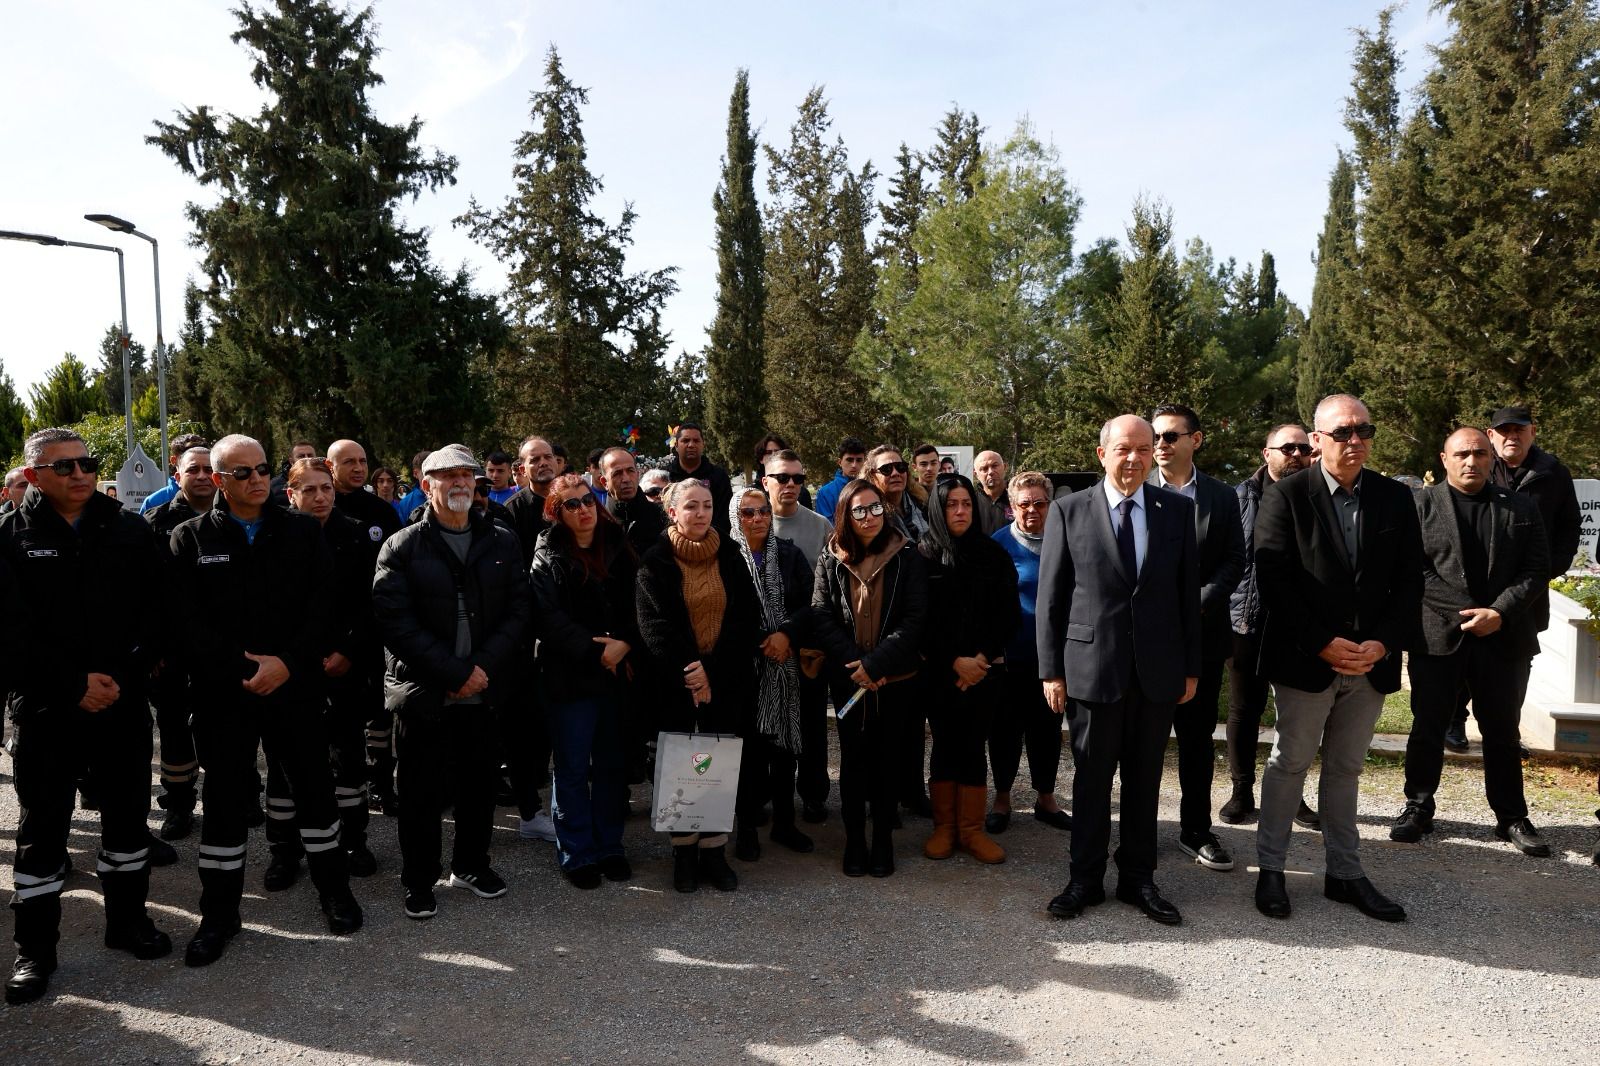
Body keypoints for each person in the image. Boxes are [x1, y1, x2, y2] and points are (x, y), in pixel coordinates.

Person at [171, 434, 362, 967]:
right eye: (243, 473)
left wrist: (288, 663)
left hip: (295, 688)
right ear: (218, 480)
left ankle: (334, 891)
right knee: (226, 804)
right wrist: (242, 669)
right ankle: (219, 914)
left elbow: (323, 607)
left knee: (314, 793)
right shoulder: (190, 539)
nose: (257, 480)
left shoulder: (301, 531)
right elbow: (186, 621)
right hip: (225, 694)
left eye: (262, 470)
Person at [2, 429, 171, 1004]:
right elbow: (9, 633)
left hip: (120, 702)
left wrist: (123, 673)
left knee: (126, 820)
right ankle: (35, 951)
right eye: (64, 466)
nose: (80, 474)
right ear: (33, 475)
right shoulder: (10, 537)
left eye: (87, 463)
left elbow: (158, 611)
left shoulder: (129, 529)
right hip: (48, 709)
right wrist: (72, 685)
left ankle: (128, 923)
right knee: (42, 830)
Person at [1252, 394, 1423, 923]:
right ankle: (1271, 869)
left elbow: (1410, 580)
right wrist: (1322, 642)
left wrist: (1383, 643)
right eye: (1343, 432)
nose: (1355, 441)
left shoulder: (1395, 497)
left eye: (1363, 431)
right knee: (1290, 763)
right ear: (1317, 440)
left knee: (1346, 768)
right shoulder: (1287, 495)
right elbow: (1274, 580)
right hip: (1306, 658)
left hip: (1370, 662)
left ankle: (1344, 874)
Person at [1039, 415, 1201, 926]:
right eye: (1124, 449)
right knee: (1092, 780)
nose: (1134, 458)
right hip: (1092, 670)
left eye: (1143, 449)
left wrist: (1190, 667)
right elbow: (1051, 598)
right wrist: (1051, 671)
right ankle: (1084, 879)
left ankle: (1138, 878)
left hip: (1156, 672)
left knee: (1144, 780)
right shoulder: (1068, 510)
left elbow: (1186, 597)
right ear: (1101, 453)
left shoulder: (1176, 511)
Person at [372, 445, 531, 920]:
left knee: (479, 788)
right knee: (420, 794)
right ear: (427, 486)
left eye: (467, 475)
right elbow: (395, 623)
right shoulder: (401, 546)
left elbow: (518, 611)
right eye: (448, 476)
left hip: (483, 691)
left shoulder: (501, 541)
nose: (460, 482)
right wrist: (454, 673)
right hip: (426, 692)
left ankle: (471, 866)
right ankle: (419, 880)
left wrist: (479, 668)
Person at [1393, 428, 1552, 855]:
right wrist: (1470, 613)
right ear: (1444, 458)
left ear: (1491, 459)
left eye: (1480, 453)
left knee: (1502, 732)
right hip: (1439, 637)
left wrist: (1498, 613)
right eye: (1461, 453)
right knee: (1428, 727)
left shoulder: (1520, 506)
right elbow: (1414, 569)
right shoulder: (1420, 505)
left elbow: (1537, 568)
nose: (1471, 461)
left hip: (1504, 636)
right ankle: (1418, 806)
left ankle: (1511, 816)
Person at [635, 479, 765, 893]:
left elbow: (746, 618)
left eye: (707, 505)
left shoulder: (730, 554)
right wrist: (692, 672)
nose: (701, 513)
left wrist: (712, 672)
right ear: (672, 511)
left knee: (717, 767)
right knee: (682, 768)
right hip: (676, 686)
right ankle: (684, 853)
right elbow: (654, 626)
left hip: (725, 682)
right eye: (691, 506)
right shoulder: (655, 560)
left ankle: (713, 851)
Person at [1441, 405, 1584, 751]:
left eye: (1519, 430)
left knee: (1517, 663)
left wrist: (1546, 570)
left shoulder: (1554, 473)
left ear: (1532, 432)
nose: (1512, 437)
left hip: (1525, 591)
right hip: (1471, 588)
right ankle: (1454, 722)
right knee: (1463, 653)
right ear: (1491, 436)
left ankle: (1508, 729)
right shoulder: (1476, 464)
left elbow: (1569, 526)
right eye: (1504, 431)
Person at [811, 479, 930, 877]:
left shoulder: (907, 555)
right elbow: (821, 614)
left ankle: (882, 840)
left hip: (894, 681)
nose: (869, 517)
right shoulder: (830, 555)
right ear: (845, 515)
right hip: (850, 680)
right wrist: (856, 665)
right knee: (853, 761)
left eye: (875, 507)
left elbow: (915, 619)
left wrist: (876, 665)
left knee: (888, 761)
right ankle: (854, 841)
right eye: (859, 510)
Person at [1147, 403, 1246, 872]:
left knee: (1196, 740)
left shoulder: (1222, 496)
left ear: (1196, 440)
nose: (1160, 445)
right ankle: (1140, 830)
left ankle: (1196, 829)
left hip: (1202, 637)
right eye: (1156, 437)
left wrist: (1198, 602)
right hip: (1146, 639)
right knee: (1143, 741)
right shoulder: (1136, 490)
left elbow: (1234, 559)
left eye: (1170, 436)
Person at [530, 474, 639, 889]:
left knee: (611, 765)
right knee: (573, 767)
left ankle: (610, 846)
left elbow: (640, 602)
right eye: (572, 504)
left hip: (617, 674)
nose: (583, 510)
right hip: (570, 676)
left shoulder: (619, 545)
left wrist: (625, 643)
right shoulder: (547, 553)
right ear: (556, 513)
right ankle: (576, 851)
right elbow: (547, 618)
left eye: (587, 500)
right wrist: (598, 653)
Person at [276, 457, 381, 881]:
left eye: (326, 489)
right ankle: (284, 849)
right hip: (292, 669)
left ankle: (354, 840)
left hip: (343, 667)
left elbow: (371, 603)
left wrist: (348, 651)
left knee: (348, 758)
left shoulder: (355, 535)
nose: (320, 497)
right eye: (310, 490)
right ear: (291, 494)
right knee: (285, 765)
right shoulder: (277, 536)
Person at [1222, 425, 1320, 831]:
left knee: (1297, 716)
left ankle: (1291, 795)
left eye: (1303, 448)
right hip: (1248, 619)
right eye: (1287, 448)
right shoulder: (1239, 497)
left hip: (1301, 624)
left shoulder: (1319, 497)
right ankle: (1241, 791)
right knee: (1244, 709)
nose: (1296, 454)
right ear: (1267, 453)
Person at [919, 474, 1020, 865]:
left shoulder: (993, 554)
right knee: (945, 744)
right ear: (938, 509)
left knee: (975, 745)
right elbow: (918, 620)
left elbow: (1008, 614)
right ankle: (944, 828)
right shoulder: (922, 555)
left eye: (966, 504)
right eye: (951, 504)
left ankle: (971, 830)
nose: (960, 511)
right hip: (939, 673)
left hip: (984, 671)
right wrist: (953, 661)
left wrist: (981, 658)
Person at [727, 487, 819, 861]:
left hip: (784, 666)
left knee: (784, 749)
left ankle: (784, 823)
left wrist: (786, 635)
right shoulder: (725, 557)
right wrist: (763, 641)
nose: (758, 519)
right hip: (744, 668)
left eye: (763, 511)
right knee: (748, 752)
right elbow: (724, 613)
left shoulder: (788, 554)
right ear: (735, 517)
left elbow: (812, 603)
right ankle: (747, 828)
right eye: (748, 513)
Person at [986, 471, 1072, 835]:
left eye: (1040, 503)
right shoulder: (997, 545)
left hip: (1052, 659)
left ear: (1050, 505)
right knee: (1004, 731)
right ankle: (1002, 798)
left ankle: (1046, 799)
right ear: (1011, 507)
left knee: (1047, 730)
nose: (1032, 510)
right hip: (1008, 658)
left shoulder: (1065, 540)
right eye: (1024, 504)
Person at [144, 446, 220, 840]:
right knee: (173, 727)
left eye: (209, 469)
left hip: (221, 647)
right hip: (171, 649)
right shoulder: (154, 522)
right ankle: (178, 804)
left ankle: (239, 795)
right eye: (194, 470)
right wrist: (152, 648)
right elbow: (143, 591)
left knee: (225, 725)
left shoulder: (238, 517)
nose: (203, 476)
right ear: (178, 475)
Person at [327, 438, 401, 815]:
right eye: (348, 462)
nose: (358, 468)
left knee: (381, 716)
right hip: (333, 641)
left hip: (376, 634)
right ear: (330, 466)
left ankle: (382, 784)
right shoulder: (321, 511)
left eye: (362, 461)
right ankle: (344, 789)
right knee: (342, 724)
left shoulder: (381, 512)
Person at [763, 449, 833, 822]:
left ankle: (814, 794)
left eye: (798, 478)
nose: (790, 484)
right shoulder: (751, 522)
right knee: (768, 726)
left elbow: (831, 589)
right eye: (782, 477)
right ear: (765, 482)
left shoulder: (820, 526)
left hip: (808, 644)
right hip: (765, 645)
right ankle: (766, 797)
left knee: (811, 726)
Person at [665, 423, 734, 535]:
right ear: (676, 445)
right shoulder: (666, 476)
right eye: (686, 440)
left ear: (703, 445)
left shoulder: (719, 476)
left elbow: (725, 515)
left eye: (696, 441)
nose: (691, 445)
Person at [600, 446, 667, 558]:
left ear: (638, 474)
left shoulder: (663, 517)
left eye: (630, 471)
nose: (626, 479)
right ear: (604, 482)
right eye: (617, 473)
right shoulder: (597, 524)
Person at [866, 445, 929, 542]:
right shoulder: (870, 515)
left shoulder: (921, 502)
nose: (895, 473)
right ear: (872, 476)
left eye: (900, 467)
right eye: (886, 469)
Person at [137, 432, 211, 514]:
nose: (201, 476)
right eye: (193, 469)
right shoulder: (154, 502)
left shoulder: (221, 499)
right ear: (173, 460)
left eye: (208, 469)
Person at [813, 436, 868, 524]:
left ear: (864, 462)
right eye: (849, 460)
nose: (854, 465)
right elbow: (826, 527)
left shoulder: (872, 488)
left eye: (859, 460)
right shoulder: (825, 492)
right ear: (840, 462)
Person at [753, 434, 814, 510]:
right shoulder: (751, 493)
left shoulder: (802, 493)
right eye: (768, 452)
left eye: (777, 452)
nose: (773, 455)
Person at [971, 451, 1011, 535]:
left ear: (1005, 467)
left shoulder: (1018, 498)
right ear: (976, 474)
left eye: (995, 466)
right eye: (984, 468)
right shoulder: (970, 501)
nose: (990, 472)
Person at [393, 450, 430, 520]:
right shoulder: (405, 504)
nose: (432, 476)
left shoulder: (447, 496)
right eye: (426, 472)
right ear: (415, 473)